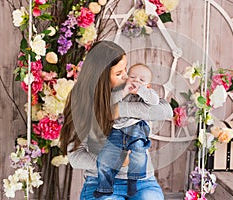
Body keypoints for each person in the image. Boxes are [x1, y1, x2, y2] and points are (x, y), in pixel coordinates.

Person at [59, 40, 173, 200]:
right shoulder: (83, 102)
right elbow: (75, 157)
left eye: (125, 69)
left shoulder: (132, 91)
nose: (126, 77)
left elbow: (165, 110)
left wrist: (120, 110)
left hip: (142, 181)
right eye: (119, 74)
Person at [94, 63, 160, 198]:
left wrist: (141, 90)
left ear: (148, 85)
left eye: (142, 80)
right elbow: (110, 103)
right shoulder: (120, 92)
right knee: (104, 158)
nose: (136, 81)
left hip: (137, 129)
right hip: (117, 130)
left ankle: (133, 182)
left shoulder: (147, 94)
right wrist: (125, 91)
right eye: (133, 77)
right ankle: (104, 186)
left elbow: (155, 101)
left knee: (139, 156)